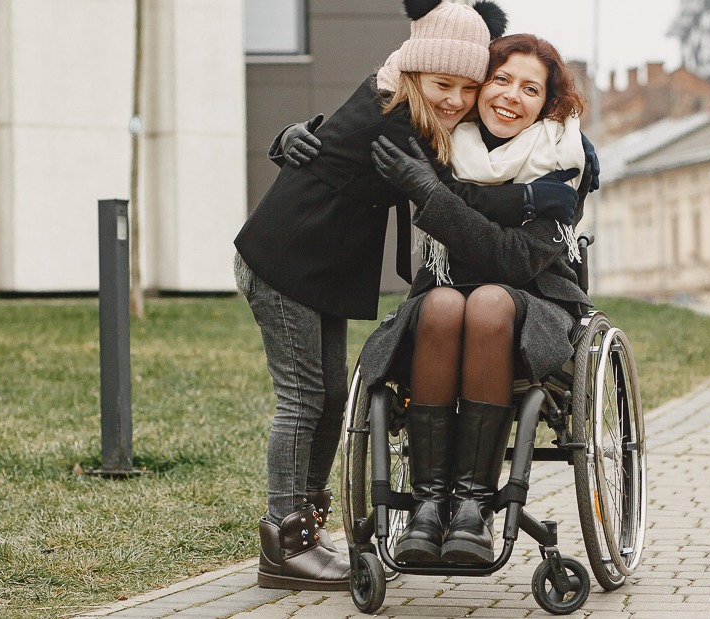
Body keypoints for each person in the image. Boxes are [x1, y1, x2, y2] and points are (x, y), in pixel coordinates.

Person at [232, 0, 570, 591]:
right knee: (303, 399)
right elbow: (434, 185)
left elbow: (352, 138)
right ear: (415, 71)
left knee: (331, 397)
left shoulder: (410, 103)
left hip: (319, 266)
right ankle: (283, 540)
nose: (457, 100)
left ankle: (306, 531)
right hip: (285, 258)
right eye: (444, 84)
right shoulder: (399, 116)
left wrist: (303, 132)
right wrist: (533, 202)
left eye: (470, 86)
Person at [355, 32, 597, 565]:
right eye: (501, 79)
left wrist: (434, 198)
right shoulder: (440, 143)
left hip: (533, 306)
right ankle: (428, 504)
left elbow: (510, 260)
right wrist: (299, 139)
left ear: (547, 103)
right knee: (442, 304)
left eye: (530, 89)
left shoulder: (563, 164)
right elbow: (368, 123)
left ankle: (472, 507)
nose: (511, 95)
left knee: (488, 300)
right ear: (478, 86)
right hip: (444, 300)